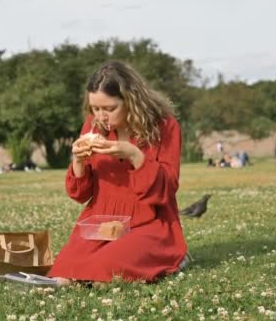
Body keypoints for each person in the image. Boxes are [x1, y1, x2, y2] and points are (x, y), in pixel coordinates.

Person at [46, 60, 187, 285]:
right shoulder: (92, 125)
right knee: (65, 269)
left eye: (110, 109)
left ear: (131, 101)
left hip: (149, 221)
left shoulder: (165, 127)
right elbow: (80, 194)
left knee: (106, 268)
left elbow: (167, 188)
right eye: (95, 108)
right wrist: (78, 161)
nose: (101, 116)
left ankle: (173, 257)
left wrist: (134, 155)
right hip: (101, 222)